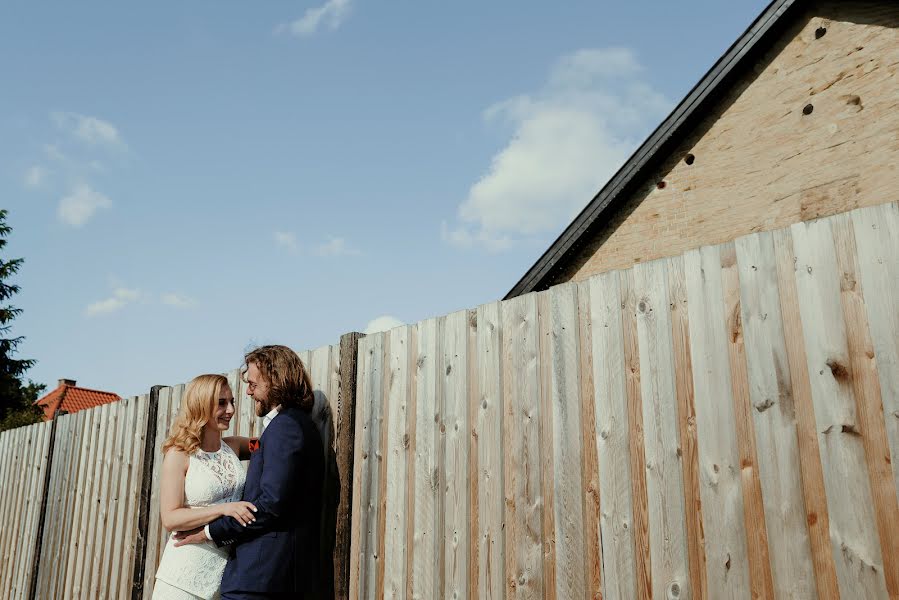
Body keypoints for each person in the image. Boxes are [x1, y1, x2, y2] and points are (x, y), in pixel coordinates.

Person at [173, 345, 325, 600]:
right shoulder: (180, 455)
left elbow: (270, 497)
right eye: (221, 403)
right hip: (206, 560)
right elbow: (262, 446)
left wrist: (210, 531)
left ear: (275, 380)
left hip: (260, 574)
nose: (247, 392)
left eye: (253, 384)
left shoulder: (279, 430)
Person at [152, 374, 256, 600]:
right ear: (201, 405)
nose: (230, 409)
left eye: (232, 402)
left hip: (223, 579)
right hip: (182, 580)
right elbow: (170, 518)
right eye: (221, 403)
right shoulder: (178, 455)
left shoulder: (235, 446)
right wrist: (222, 510)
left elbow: (270, 443)